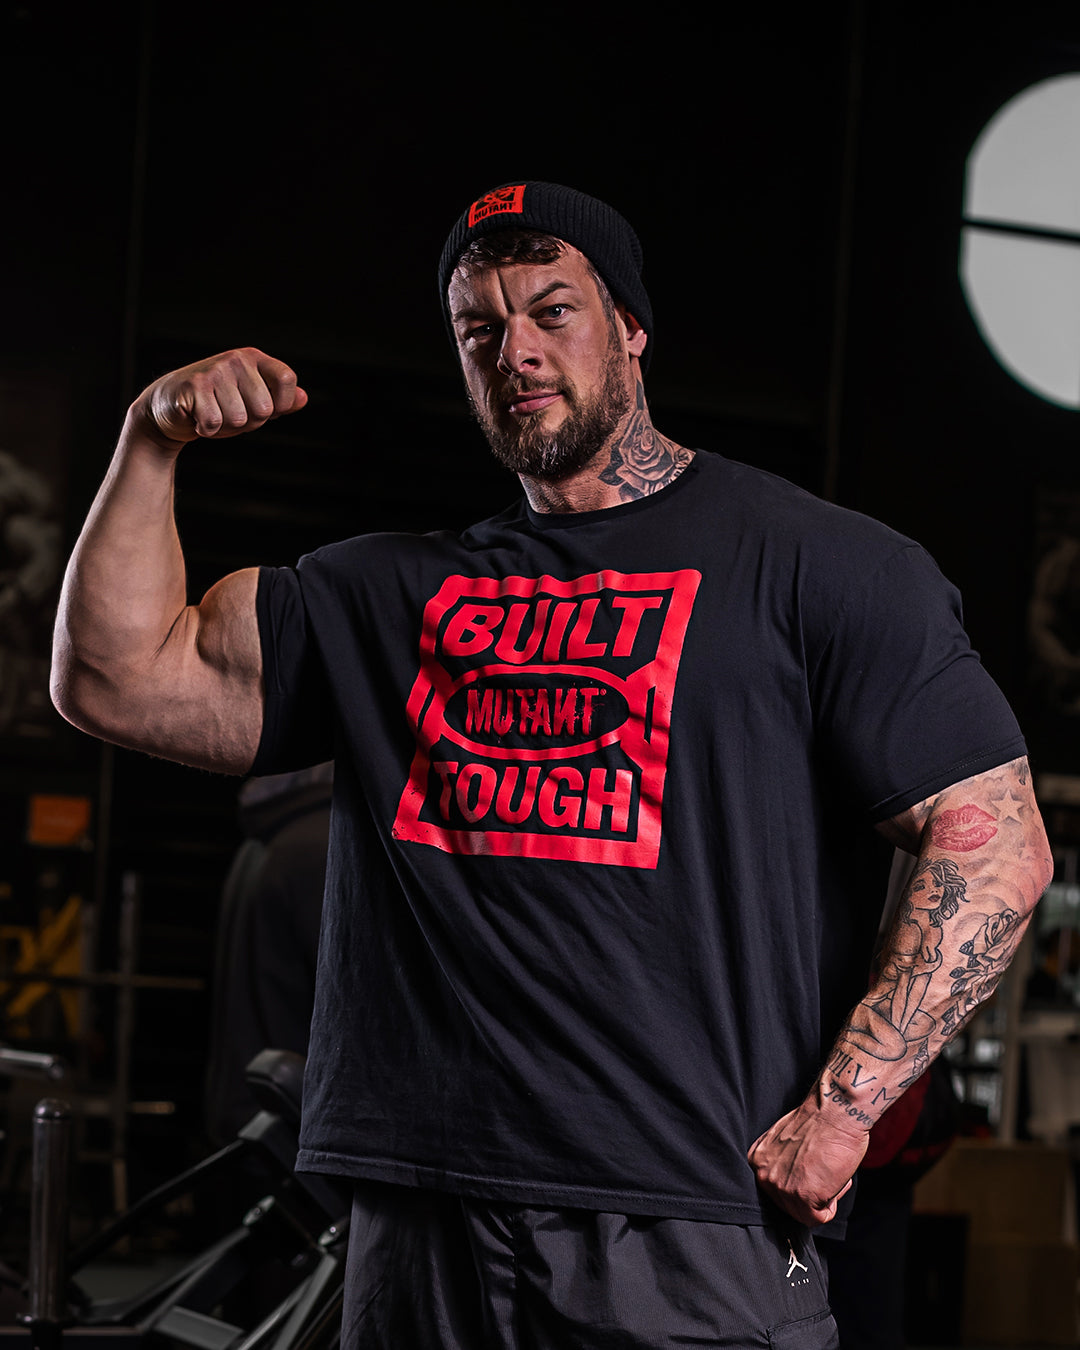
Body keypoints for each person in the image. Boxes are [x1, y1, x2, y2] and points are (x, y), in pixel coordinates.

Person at [51, 181, 1052, 1348]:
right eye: (480, 327)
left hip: (683, 1222)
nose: (514, 350)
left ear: (630, 329)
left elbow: (996, 844)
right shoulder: (389, 595)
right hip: (418, 1219)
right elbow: (114, 679)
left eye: (551, 311)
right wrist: (150, 440)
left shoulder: (817, 566)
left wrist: (842, 1112)